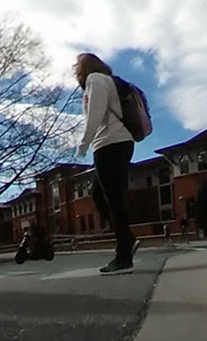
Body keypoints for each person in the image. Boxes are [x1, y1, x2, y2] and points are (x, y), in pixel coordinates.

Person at [75, 53, 139, 275]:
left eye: (77, 66)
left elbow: (96, 113)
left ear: (85, 67)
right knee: (99, 196)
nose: (75, 70)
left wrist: (84, 143)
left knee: (114, 199)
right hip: (114, 142)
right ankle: (127, 239)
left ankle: (123, 257)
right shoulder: (103, 80)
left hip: (111, 142)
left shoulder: (96, 80)